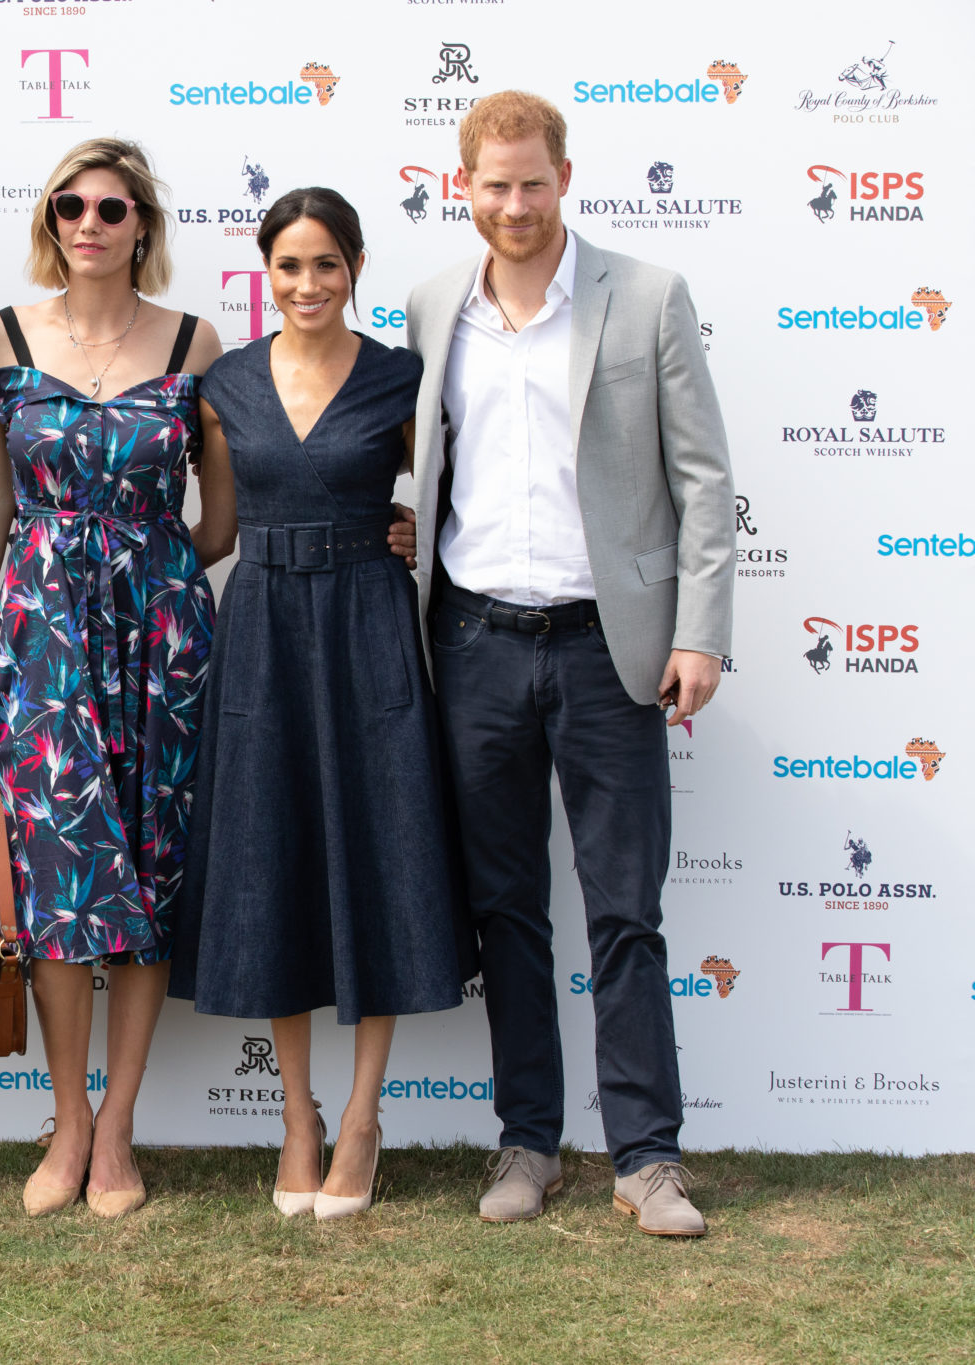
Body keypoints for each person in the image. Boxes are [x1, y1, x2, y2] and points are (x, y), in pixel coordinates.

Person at [404, 91, 734, 1237]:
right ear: (463, 186)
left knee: (623, 911)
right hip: (473, 642)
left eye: (531, 182)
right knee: (504, 909)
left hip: (608, 648)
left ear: (563, 177)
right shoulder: (433, 306)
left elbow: (702, 482)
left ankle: (646, 1158)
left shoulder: (644, 296)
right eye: (493, 184)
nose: (514, 204)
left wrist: (698, 631)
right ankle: (528, 1143)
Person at [169, 188, 472, 1222]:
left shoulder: (400, 378)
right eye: (289, 265)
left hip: (367, 629)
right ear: (266, 271)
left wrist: (412, 523)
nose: (307, 284)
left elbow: (456, 499)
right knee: (271, 858)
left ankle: (360, 1118)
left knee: (383, 851)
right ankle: (295, 1117)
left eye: (326, 264)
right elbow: (215, 529)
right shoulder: (223, 384)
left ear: (354, 269)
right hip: (259, 634)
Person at [0, 138, 221, 1220]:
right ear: (50, 220)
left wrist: (147, 574)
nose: (89, 223)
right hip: (38, 640)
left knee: (149, 872)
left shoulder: (196, 342)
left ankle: (117, 1127)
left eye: (112, 208)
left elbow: (222, 518)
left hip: (161, 642)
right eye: (70, 205)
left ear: (140, 224)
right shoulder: (6, 336)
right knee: (58, 877)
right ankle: (66, 1123)